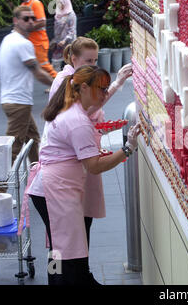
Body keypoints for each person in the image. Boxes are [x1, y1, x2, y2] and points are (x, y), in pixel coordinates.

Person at [24, 65, 140, 285]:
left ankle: (59, 279)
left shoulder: (72, 106)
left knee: (57, 246)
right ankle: (65, 280)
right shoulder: (77, 121)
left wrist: (117, 83)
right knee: (67, 252)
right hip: (54, 191)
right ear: (84, 87)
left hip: (49, 188)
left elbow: (96, 108)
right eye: (102, 89)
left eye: (107, 89)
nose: (105, 94)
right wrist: (127, 148)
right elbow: (94, 166)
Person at [43, 37, 132, 251]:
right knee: (65, 241)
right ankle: (70, 275)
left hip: (70, 167)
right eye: (88, 61)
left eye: (95, 61)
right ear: (73, 59)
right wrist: (128, 148)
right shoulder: (74, 110)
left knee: (72, 234)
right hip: (66, 173)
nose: (93, 66)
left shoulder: (77, 116)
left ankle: (78, 273)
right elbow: (87, 114)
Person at [0, 6, 54, 165]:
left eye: (33, 18)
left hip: (14, 101)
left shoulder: (9, 39)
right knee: (13, 148)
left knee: (33, 139)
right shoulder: (22, 43)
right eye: (26, 18)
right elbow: (37, 72)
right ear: (16, 21)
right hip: (18, 103)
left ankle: (37, 177)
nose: (31, 21)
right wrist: (59, 83)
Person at [18, 0, 57, 81]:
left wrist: (27, 28)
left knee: (45, 67)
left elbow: (42, 22)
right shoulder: (23, 6)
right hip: (30, 44)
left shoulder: (35, 4)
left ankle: (61, 85)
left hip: (38, 43)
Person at [50, 0, 77, 72]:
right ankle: (57, 81)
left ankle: (70, 81)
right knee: (55, 62)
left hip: (68, 43)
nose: (58, 5)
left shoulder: (71, 15)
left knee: (70, 64)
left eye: (60, 3)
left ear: (65, 3)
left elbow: (72, 31)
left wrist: (65, 40)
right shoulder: (58, 14)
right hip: (58, 43)